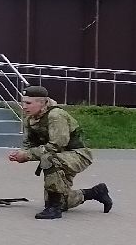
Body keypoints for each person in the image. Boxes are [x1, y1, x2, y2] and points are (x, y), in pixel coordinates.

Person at [7, 85, 111, 219]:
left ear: (42, 103)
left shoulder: (56, 115)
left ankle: (54, 209)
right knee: (62, 200)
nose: (24, 106)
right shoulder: (30, 119)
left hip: (77, 155)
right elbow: (29, 145)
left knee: (49, 160)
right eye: (23, 103)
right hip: (60, 156)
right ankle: (96, 192)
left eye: (28, 103)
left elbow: (57, 145)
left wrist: (27, 155)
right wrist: (20, 154)